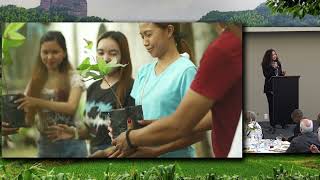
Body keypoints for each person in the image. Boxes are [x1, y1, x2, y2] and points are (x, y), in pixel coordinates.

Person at [111, 23, 242, 158]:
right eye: (142, 36)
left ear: (169, 31)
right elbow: (138, 118)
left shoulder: (186, 70)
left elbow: (197, 128)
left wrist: (156, 150)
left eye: (149, 35)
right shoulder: (144, 72)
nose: (145, 42)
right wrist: (121, 129)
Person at [46, 31, 135, 155]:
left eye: (113, 53)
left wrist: (104, 153)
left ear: (123, 56)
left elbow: (134, 137)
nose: (105, 58)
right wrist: (73, 133)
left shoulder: (132, 88)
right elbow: (91, 129)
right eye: (100, 53)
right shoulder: (93, 87)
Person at [15, 31, 88, 158]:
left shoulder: (74, 78)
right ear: (40, 53)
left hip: (73, 144)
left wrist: (36, 101)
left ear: (64, 53)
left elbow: (71, 107)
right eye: (45, 52)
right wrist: (17, 110)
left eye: (55, 52)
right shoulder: (35, 81)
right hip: (46, 146)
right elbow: (29, 120)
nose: (49, 57)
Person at [261, 49, 286, 133]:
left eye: (275, 54)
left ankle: (281, 122)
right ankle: (273, 124)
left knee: (280, 106)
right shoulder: (265, 65)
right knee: (272, 106)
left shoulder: (278, 63)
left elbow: (278, 76)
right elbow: (267, 75)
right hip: (270, 89)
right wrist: (272, 68)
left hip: (278, 88)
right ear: (269, 56)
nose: (275, 56)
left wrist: (282, 74)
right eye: (273, 55)